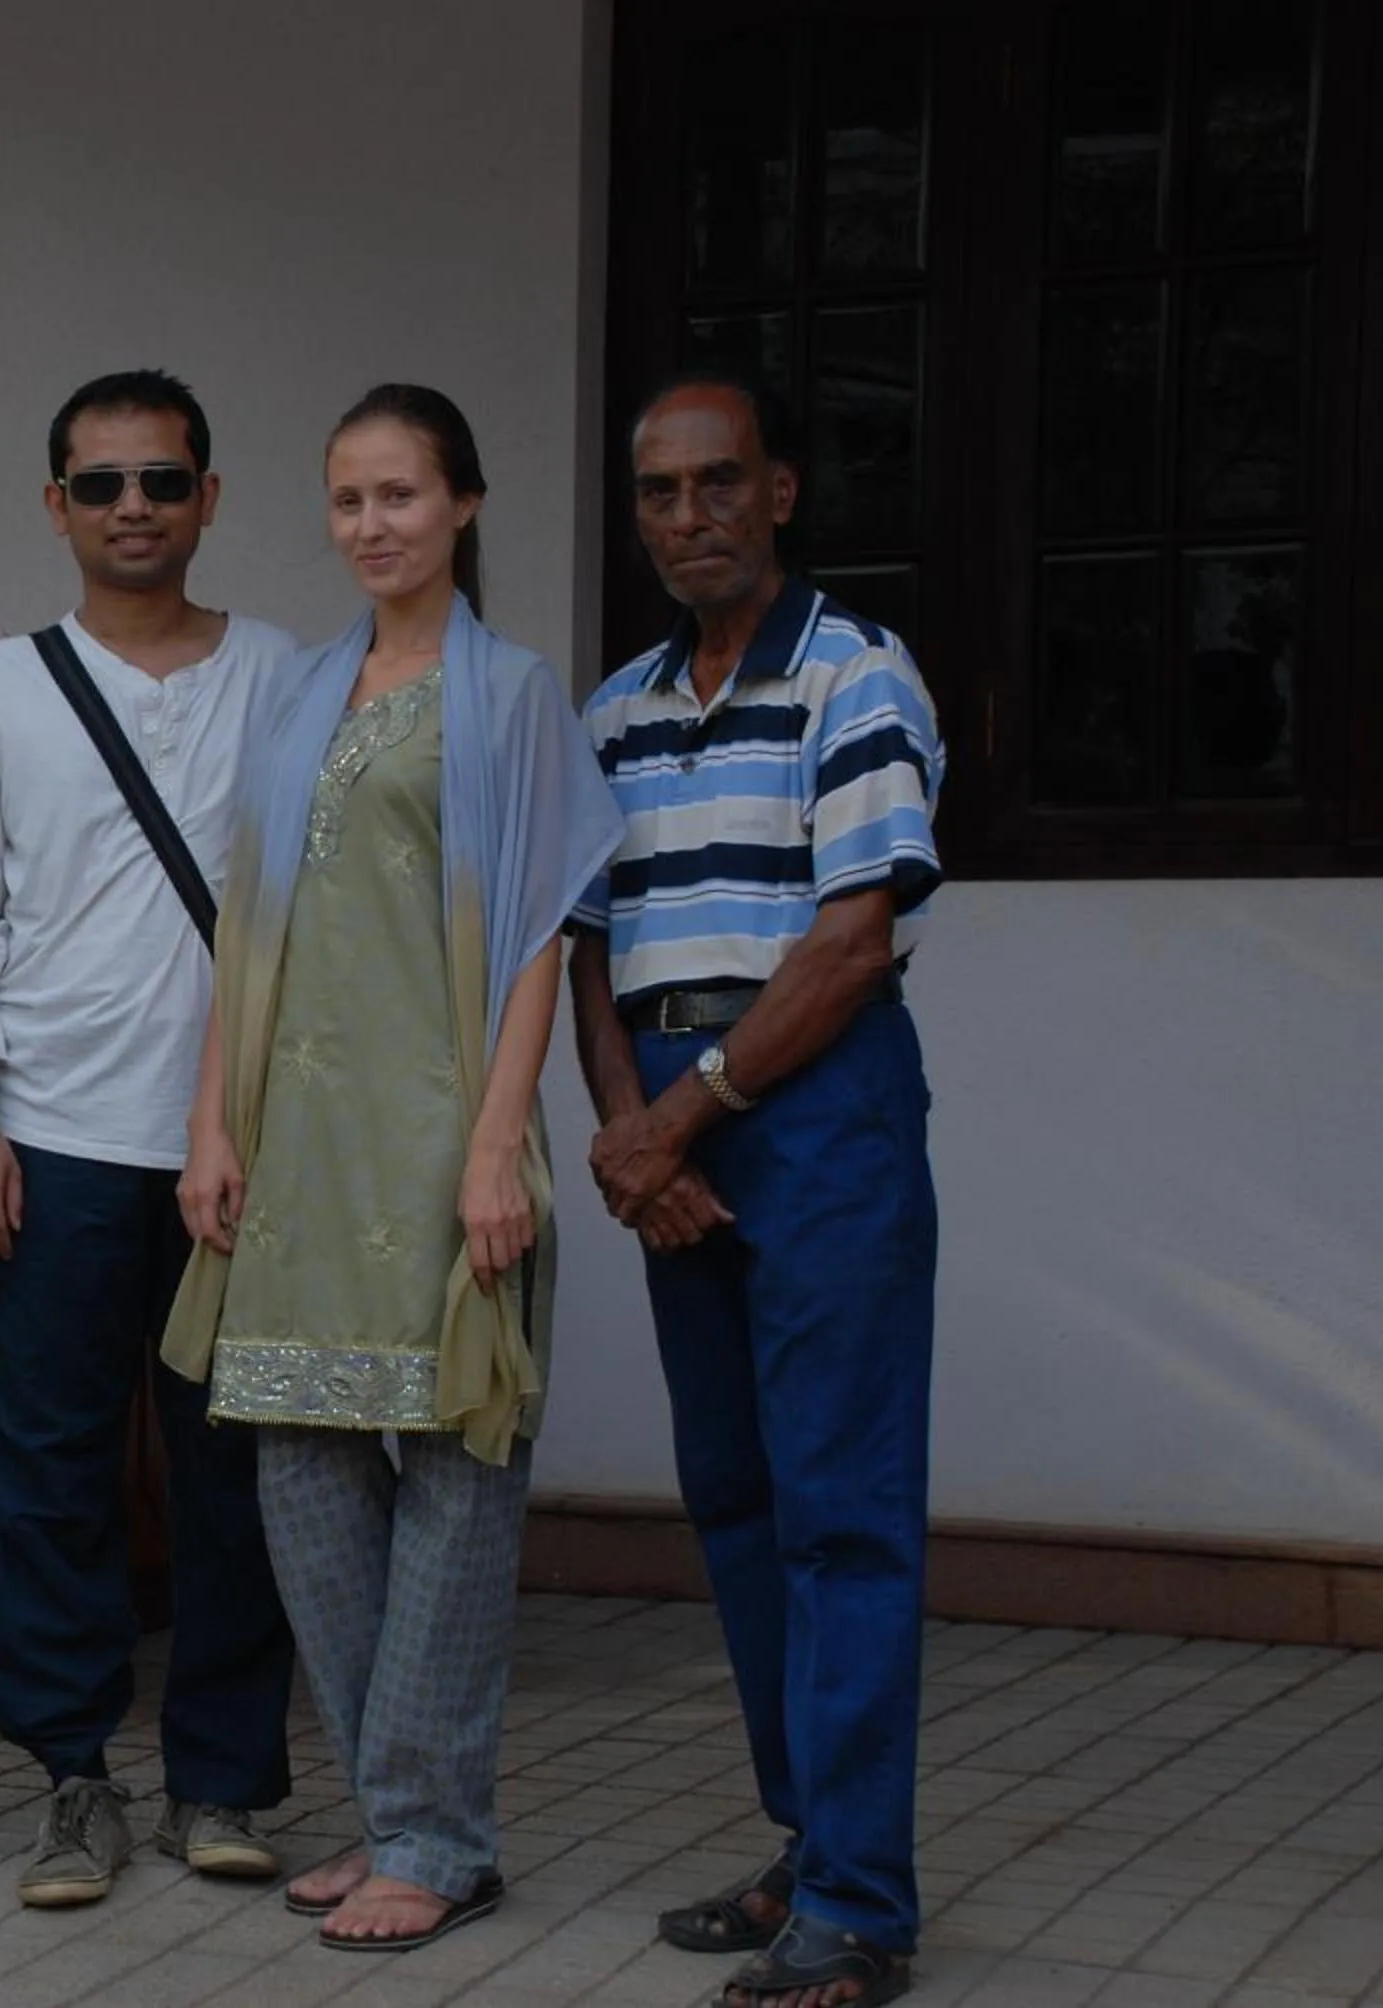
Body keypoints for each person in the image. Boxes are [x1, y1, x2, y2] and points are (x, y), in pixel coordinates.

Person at [162, 385, 621, 1953]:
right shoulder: (298, 694)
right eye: (349, 499)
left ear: (466, 508)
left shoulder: (511, 699)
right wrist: (213, 1126)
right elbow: (245, 924)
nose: (372, 525)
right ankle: (392, 1816)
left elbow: (548, 933)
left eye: (402, 497)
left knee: (450, 1479)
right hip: (297, 1144)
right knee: (299, 1476)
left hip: (442, 1144)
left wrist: (502, 1144)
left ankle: (442, 1833)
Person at [567, 374, 943, 2008]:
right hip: (672, 1126)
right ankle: (807, 1842)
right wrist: (625, 1131)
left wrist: (686, 1116)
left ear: (780, 491)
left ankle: (861, 1906)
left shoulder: (858, 677)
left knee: (843, 1519)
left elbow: (852, 943)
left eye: (720, 483)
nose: (688, 515)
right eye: (659, 491)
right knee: (735, 1505)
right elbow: (582, 947)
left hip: (813, 1115)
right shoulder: (620, 711)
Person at [0, 370, 301, 1910]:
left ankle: (221, 1782)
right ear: (55, 505)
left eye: (162, 480)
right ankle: (74, 1782)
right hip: (54, 1138)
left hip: (236, 1152)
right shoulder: (2, 688)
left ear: (210, 499)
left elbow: (305, 915)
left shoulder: (281, 673)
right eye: (101, 483)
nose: (132, 506)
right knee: (54, 1473)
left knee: (234, 1476)